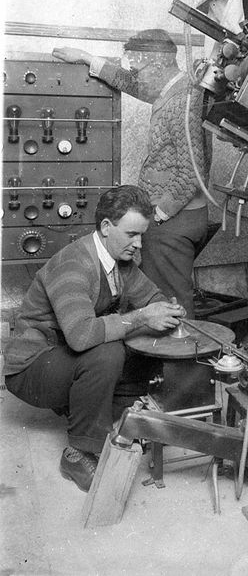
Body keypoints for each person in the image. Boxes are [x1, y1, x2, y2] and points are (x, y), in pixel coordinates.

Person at [4, 185, 186, 493]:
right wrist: (142, 317)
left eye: (142, 235)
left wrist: (166, 309)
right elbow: (81, 336)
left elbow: (149, 296)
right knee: (108, 353)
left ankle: (103, 405)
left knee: (140, 349)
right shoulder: (73, 264)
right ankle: (78, 453)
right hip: (32, 367)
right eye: (131, 234)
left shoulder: (120, 261)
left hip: (64, 358)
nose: (138, 243)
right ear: (105, 227)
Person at [53, 29, 212, 317]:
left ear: (160, 64)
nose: (136, 76)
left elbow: (192, 173)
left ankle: (179, 359)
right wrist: (88, 58)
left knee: (170, 302)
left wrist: (157, 216)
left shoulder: (183, 101)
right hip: (176, 218)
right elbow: (133, 84)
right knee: (161, 297)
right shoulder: (172, 90)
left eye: (139, 68)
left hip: (173, 221)